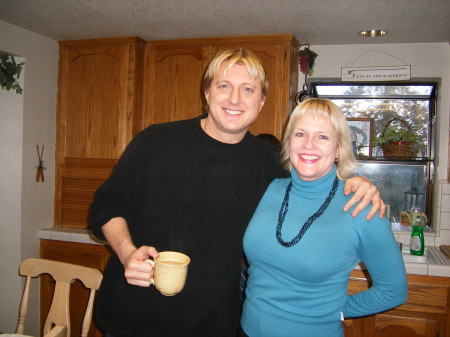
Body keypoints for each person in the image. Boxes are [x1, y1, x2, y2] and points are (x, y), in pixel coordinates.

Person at [89, 49, 385, 337]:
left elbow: (316, 180)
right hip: (134, 315)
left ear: (262, 101)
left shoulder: (269, 164)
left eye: (247, 89)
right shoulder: (156, 141)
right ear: (207, 93)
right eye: (224, 86)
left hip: (212, 323)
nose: (234, 99)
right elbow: (107, 204)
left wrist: (354, 181)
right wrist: (127, 254)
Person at [240, 98, 407, 337]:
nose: (309, 145)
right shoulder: (270, 188)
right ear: (288, 142)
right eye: (300, 134)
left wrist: (337, 311)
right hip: (247, 329)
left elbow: (393, 290)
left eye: (323, 137)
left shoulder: (360, 205)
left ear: (339, 148)